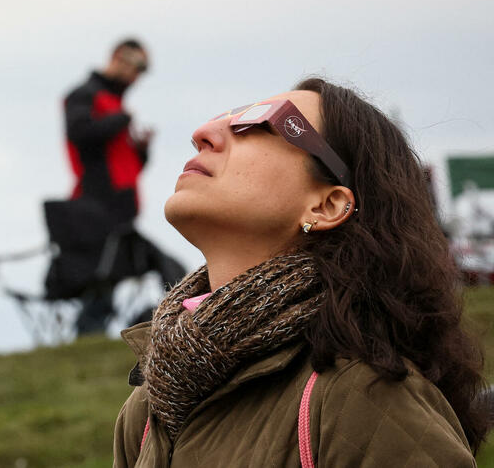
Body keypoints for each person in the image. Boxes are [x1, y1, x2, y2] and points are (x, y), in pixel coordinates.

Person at [113, 78, 488, 467]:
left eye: (259, 123)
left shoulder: (361, 398)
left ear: (327, 205)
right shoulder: (147, 409)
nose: (202, 133)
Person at [63, 38, 153, 333]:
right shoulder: (85, 95)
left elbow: (129, 166)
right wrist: (120, 120)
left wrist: (140, 148)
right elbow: (79, 134)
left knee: (114, 276)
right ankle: (89, 334)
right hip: (97, 204)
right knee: (102, 276)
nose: (136, 75)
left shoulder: (116, 104)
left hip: (122, 205)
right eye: (134, 64)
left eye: (142, 69)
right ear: (117, 57)